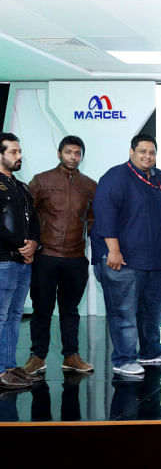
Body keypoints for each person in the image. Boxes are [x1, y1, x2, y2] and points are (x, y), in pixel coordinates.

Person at [92, 133, 161, 376]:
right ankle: (124, 359)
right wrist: (113, 250)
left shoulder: (160, 178)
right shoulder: (116, 177)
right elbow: (105, 213)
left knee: (153, 312)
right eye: (142, 151)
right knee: (124, 314)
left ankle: (150, 351)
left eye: (152, 152)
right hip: (123, 260)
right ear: (131, 152)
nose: (148, 156)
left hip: (156, 261)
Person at [23, 135, 97, 375]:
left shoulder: (90, 185)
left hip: (75, 259)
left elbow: (93, 220)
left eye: (77, 153)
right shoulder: (42, 180)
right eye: (68, 152)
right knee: (42, 309)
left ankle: (71, 356)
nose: (73, 157)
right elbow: (27, 215)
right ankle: (37, 357)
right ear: (59, 153)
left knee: (70, 310)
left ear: (82, 157)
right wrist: (29, 245)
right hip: (46, 256)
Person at [0, 132, 41, 389]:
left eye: (19, 151)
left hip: (23, 262)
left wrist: (33, 243)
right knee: (1, 316)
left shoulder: (21, 186)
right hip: (3, 260)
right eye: (13, 152)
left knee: (15, 315)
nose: (19, 156)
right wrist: (19, 244)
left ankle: (9, 366)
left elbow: (34, 219)